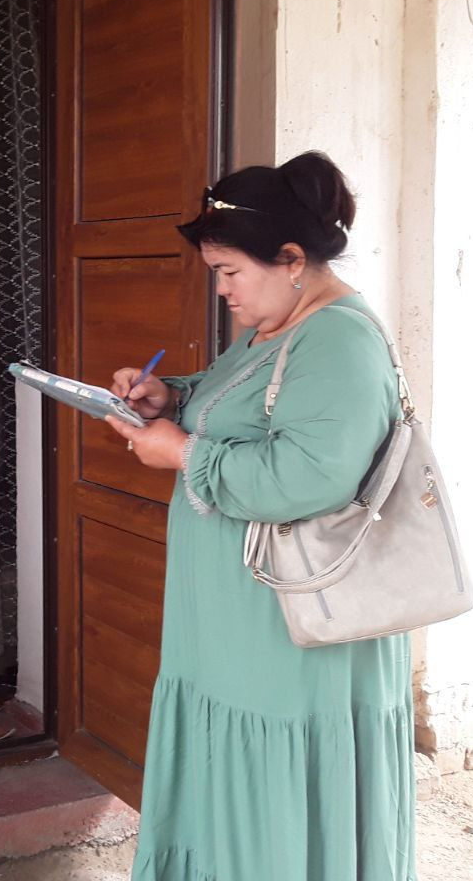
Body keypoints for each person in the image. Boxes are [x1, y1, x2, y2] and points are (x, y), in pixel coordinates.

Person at [104, 153, 417, 880]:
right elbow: (243, 402)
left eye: (229, 272)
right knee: (231, 774)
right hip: (241, 620)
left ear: (293, 260)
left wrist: (183, 453)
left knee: (274, 793)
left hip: (291, 630)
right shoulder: (276, 327)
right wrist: (170, 397)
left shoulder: (338, 340)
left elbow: (308, 475)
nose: (221, 291)